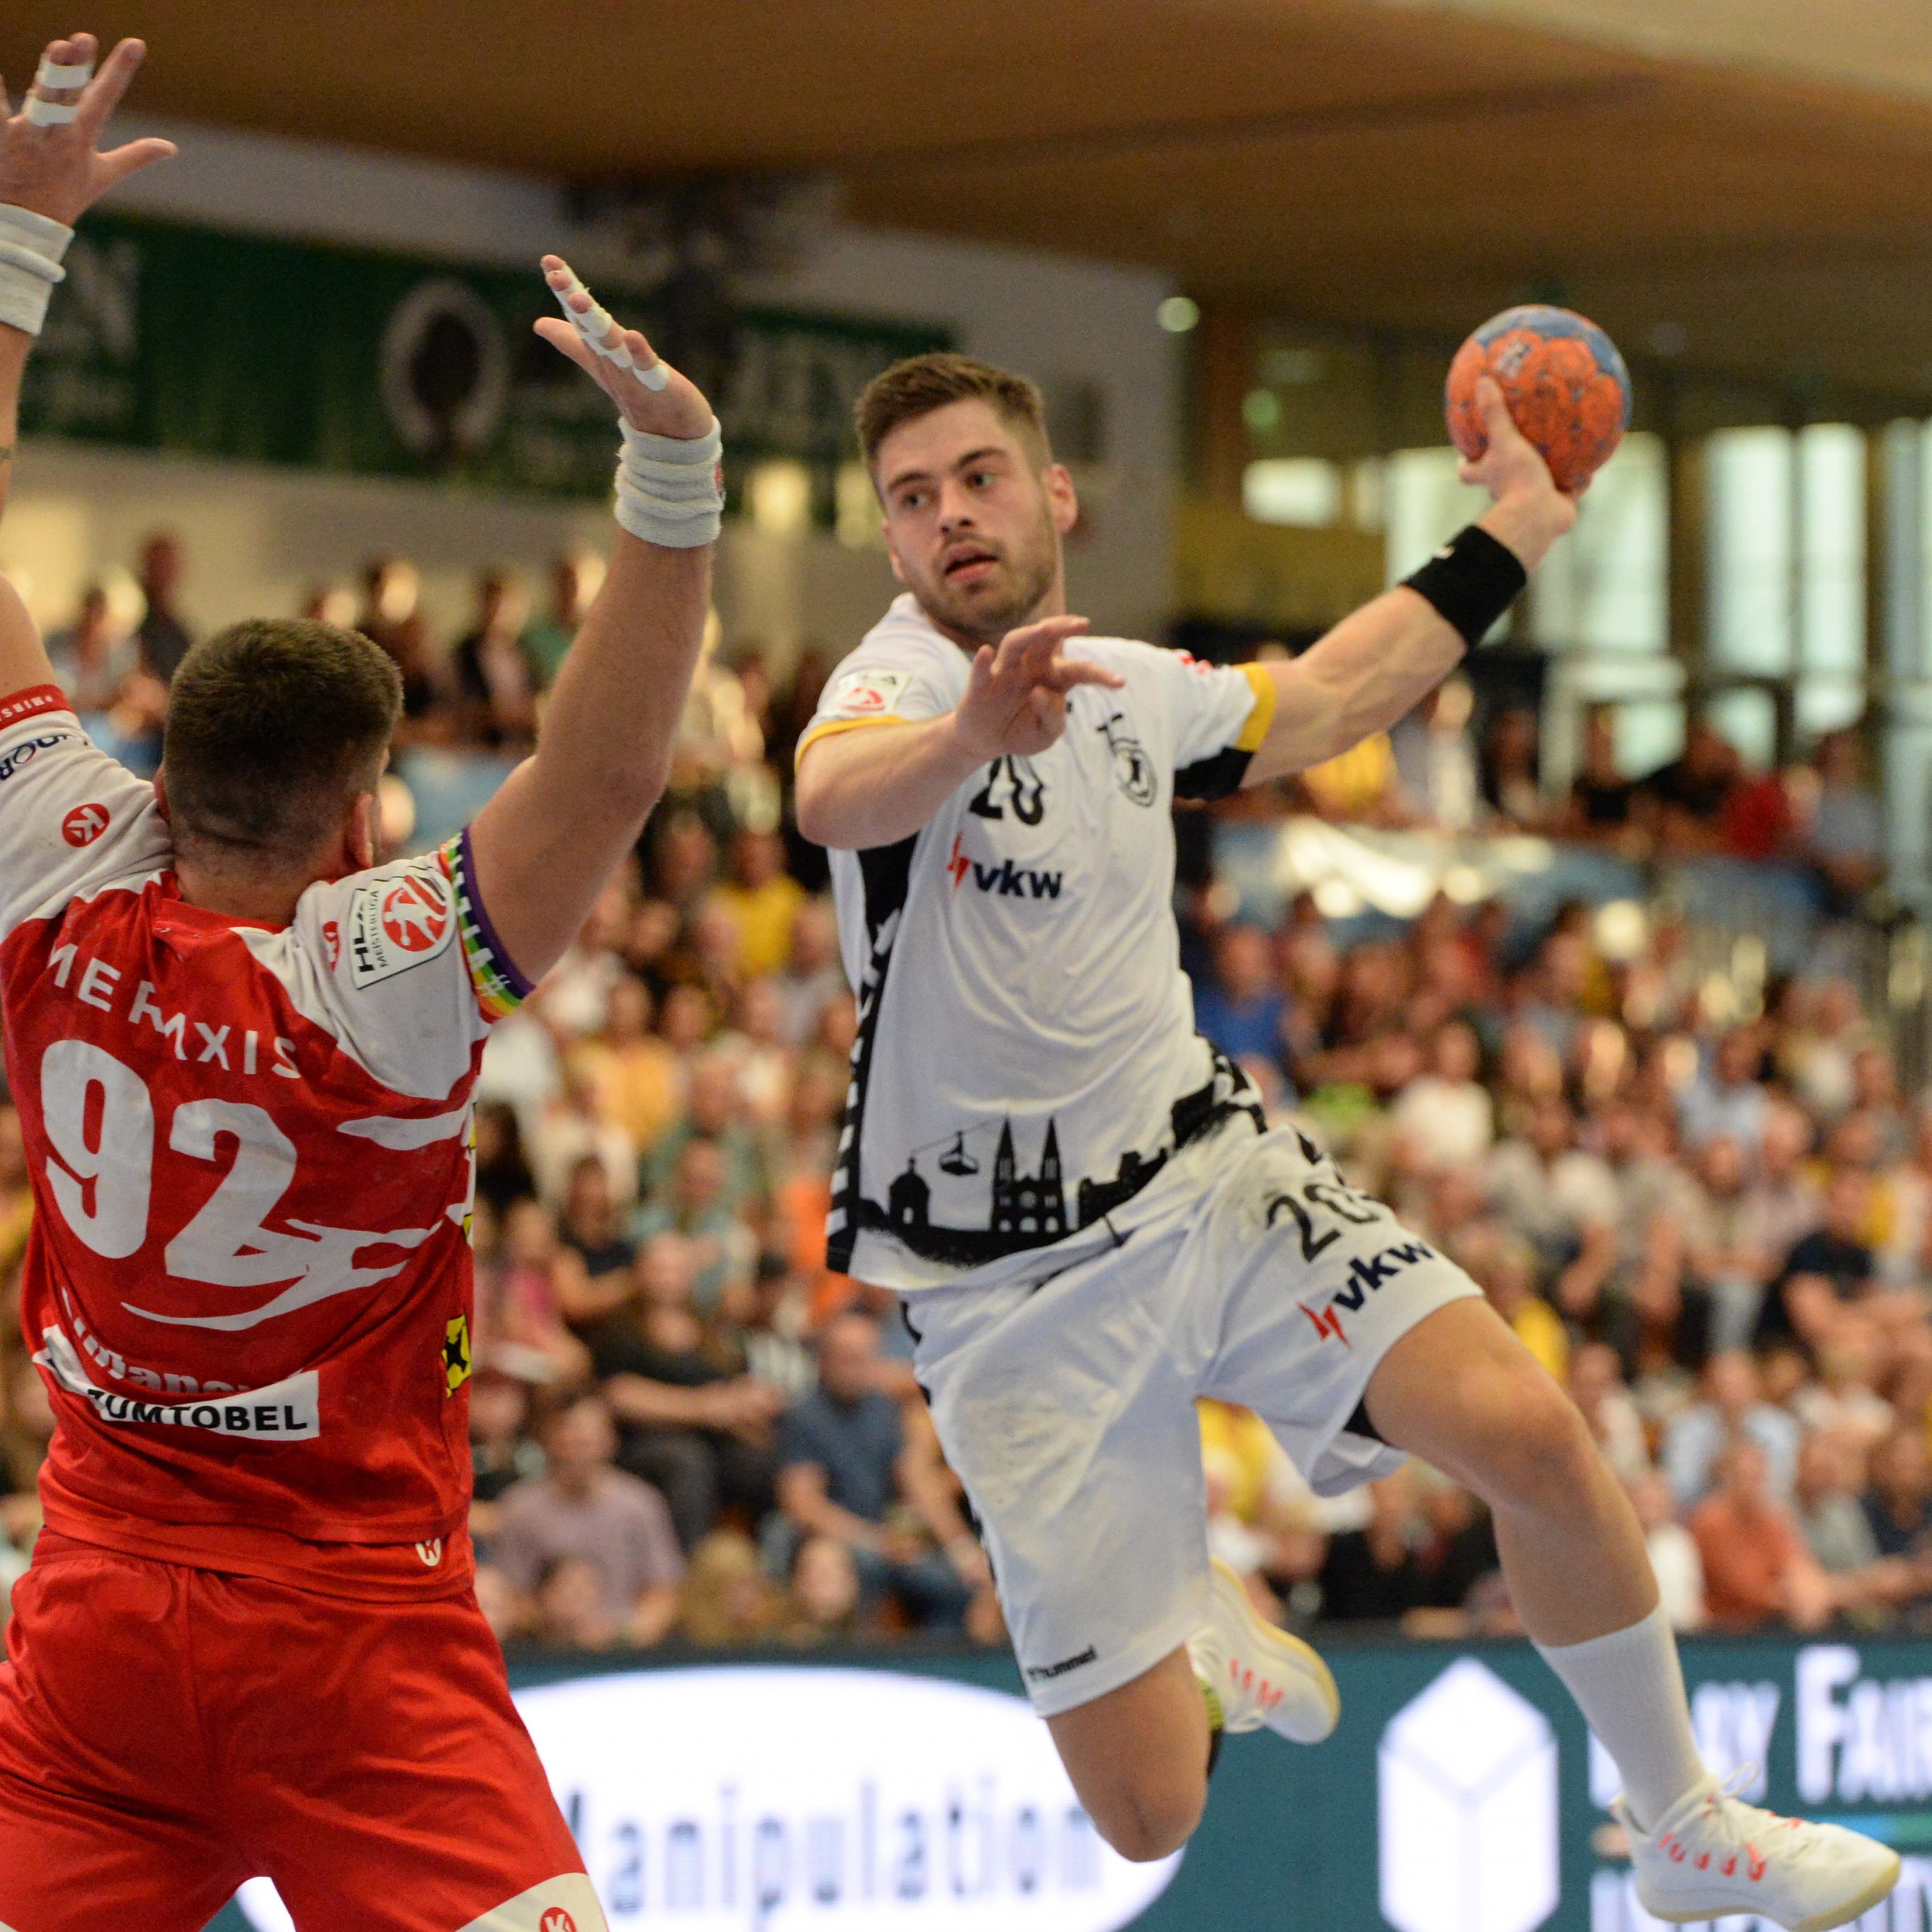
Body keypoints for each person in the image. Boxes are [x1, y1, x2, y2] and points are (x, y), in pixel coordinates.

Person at [792, 347, 1896, 1926]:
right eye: (914, 500)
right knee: (1144, 1812)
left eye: (977, 478)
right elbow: (835, 799)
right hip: (999, 1290)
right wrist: (971, 732)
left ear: (1052, 495)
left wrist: (1515, 528)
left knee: (1526, 1428)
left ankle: (1680, 1818)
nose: (950, 517)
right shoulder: (894, 685)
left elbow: (1324, 697)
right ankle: (1186, 1603)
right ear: (893, 546)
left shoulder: (1128, 688)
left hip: (1199, 1180)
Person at [0, 43, 723, 1932]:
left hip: (89, 1614)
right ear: (356, 827)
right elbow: (606, 775)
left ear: (159, 770)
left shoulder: (54, 859)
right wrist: (673, 471)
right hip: (352, 1638)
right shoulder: (380, 977)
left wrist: (20, 228)